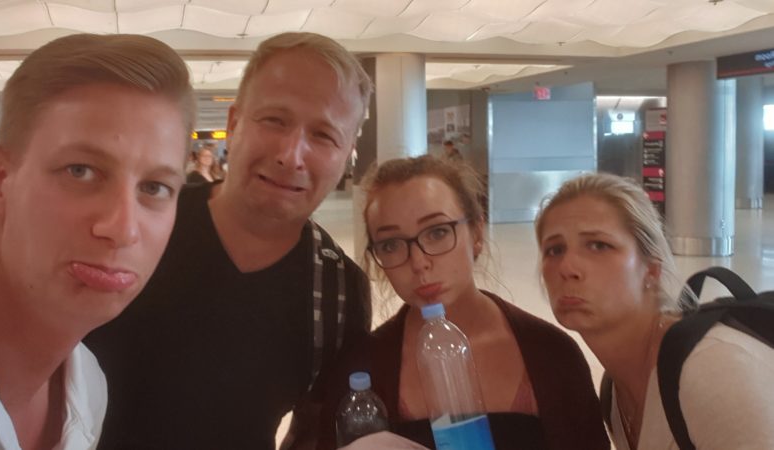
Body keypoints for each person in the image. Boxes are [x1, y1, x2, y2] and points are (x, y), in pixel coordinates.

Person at [84, 32, 373, 450]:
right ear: (234, 123)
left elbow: (314, 425)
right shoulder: (138, 222)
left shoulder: (338, 291)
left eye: (324, 136)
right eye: (274, 120)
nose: (291, 155)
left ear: (347, 155)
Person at [304, 155, 610, 450]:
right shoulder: (361, 369)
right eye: (391, 244)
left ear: (476, 233)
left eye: (437, 232)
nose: (419, 262)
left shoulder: (551, 354)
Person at [0, 33, 194, 450]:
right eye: (80, 171)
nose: (123, 229)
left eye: (154, 188)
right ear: (0, 183)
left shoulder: (87, 387)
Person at [534, 172, 774, 450]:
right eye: (554, 250)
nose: (567, 268)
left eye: (599, 245)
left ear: (651, 269)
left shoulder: (710, 369)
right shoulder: (614, 392)